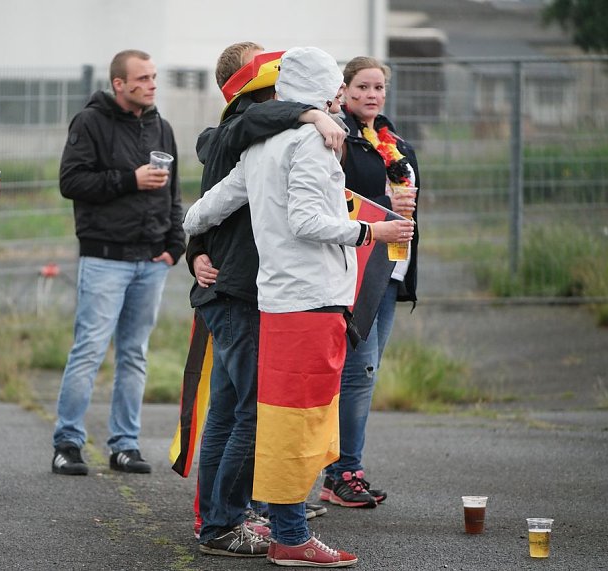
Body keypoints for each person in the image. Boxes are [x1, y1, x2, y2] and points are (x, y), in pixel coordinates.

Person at [184, 46, 414, 567]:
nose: (341, 97)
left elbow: (198, 213)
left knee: (274, 417)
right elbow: (307, 222)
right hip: (312, 299)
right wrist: (372, 231)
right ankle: (282, 533)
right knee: (294, 422)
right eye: (337, 88)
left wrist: (197, 246)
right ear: (326, 89)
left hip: (276, 298)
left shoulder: (262, 145)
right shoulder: (311, 140)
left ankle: (259, 523)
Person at [188, 43, 345, 557]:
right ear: (251, 89)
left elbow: (202, 211)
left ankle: (226, 518)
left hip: (236, 288)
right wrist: (312, 114)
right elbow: (213, 206)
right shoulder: (243, 127)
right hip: (239, 293)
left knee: (229, 412)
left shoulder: (254, 133)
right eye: (266, 73)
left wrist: (195, 249)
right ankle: (225, 522)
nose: (276, 77)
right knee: (253, 414)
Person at [52, 49, 185, 476]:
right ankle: (67, 444)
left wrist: (175, 246)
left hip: (151, 261)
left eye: (153, 77)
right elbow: (71, 181)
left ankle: (125, 445)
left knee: (134, 356)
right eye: (142, 78)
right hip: (105, 259)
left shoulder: (161, 127)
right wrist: (131, 179)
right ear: (119, 84)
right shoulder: (90, 122)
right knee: (89, 351)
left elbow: (174, 193)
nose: (151, 84)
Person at [318, 56, 421, 510]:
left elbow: (409, 204)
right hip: (356, 270)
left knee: (365, 372)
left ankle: (344, 470)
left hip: (392, 271)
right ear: (343, 90)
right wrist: (385, 201)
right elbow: (337, 202)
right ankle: (341, 472)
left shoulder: (394, 141)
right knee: (356, 373)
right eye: (362, 87)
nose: (371, 95)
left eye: (378, 87)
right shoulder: (337, 137)